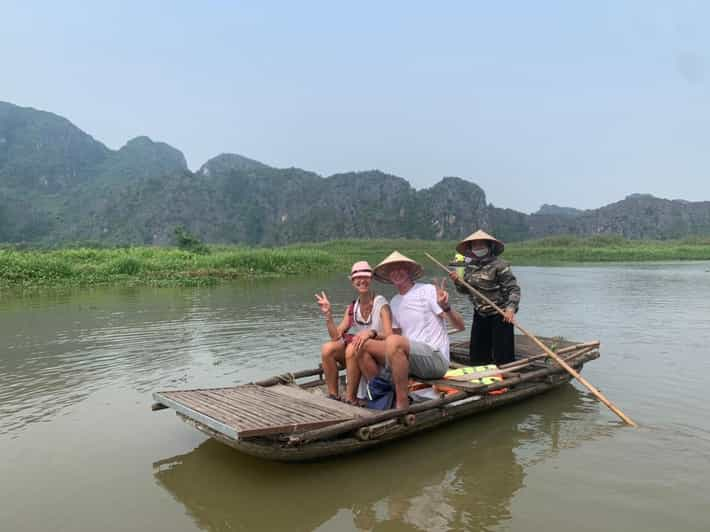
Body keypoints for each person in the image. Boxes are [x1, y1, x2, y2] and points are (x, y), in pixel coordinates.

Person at [371, 251, 465, 409]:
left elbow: (460, 326)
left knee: (393, 342)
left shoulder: (427, 290)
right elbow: (395, 336)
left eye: (400, 268)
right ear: (388, 275)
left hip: (436, 359)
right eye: (392, 270)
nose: (396, 272)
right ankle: (380, 394)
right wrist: (371, 334)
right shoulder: (394, 301)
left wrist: (446, 307)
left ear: (408, 271)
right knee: (362, 346)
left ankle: (402, 404)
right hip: (411, 359)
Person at [315, 261, 393, 404]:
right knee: (327, 349)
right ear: (352, 282)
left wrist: (372, 333)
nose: (362, 280)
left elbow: (390, 336)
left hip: (376, 354)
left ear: (371, 279)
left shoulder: (381, 304)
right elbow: (335, 337)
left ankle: (351, 398)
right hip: (356, 352)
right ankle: (333, 395)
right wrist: (328, 315)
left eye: (366, 277)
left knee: (352, 347)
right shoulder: (353, 307)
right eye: (357, 278)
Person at [448, 230, 521, 366]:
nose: (478, 248)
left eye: (481, 244)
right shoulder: (470, 266)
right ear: (471, 249)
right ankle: (481, 380)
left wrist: (510, 309)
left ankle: (506, 382)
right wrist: (457, 281)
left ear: (489, 246)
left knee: (503, 357)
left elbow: (514, 289)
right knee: (477, 355)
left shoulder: (500, 265)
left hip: (500, 314)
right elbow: (465, 290)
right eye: (475, 245)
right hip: (480, 314)